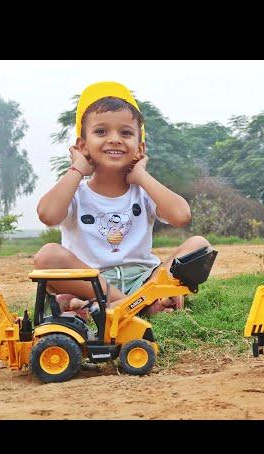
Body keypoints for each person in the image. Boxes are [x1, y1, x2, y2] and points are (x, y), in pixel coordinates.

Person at [34, 81, 210, 317]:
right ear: (82, 145)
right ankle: (136, 306)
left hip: (144, 279)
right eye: (101, 131)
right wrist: (76, 169)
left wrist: (143, 176)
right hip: (91, 283)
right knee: (48, 255)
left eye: (126, 133)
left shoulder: (143, 192)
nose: (115, 139)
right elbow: (47, 214)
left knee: (199, 246)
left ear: (139, 147)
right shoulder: (75, 192)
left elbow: (181, 215)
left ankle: (105, 310)